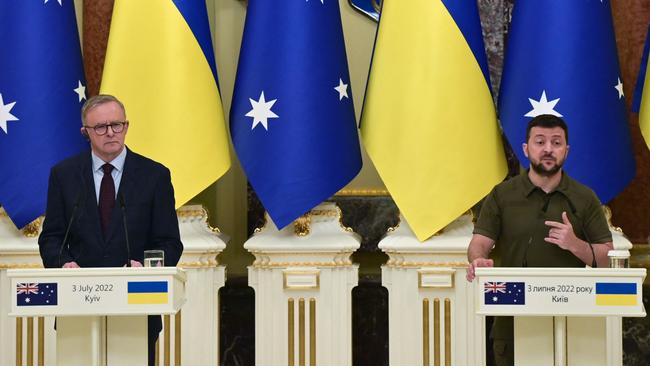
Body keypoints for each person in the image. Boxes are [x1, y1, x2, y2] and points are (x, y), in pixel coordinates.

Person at [38, 94, 183, 366]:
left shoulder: (155, 175)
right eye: (101, 127)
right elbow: (52, 237)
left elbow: (169, 242)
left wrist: (146, 266)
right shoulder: (64, 175)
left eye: (117, 125)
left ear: (126, 126)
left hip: (137, 305)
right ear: (86, 133)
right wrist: (64, 262)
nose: (111, 133)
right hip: (78, 304)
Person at [465, 114, 613, 366]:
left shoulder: (584, 197)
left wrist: (575, 245)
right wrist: (479, 260)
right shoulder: (503, 195)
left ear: (566, 150)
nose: (548, 149)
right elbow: (479, 242)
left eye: (556, 143)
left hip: (571, 320)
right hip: (511, 316)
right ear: (526, 148)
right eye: (540, 141)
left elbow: (608, 258)